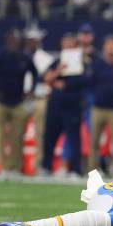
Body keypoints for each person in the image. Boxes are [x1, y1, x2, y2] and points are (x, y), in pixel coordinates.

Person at [0, 29, 38, 175]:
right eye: (11, 39)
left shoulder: (23, 57)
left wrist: (31, 89)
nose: (14, 42)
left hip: (18, 101)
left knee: (17, 136)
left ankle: (14, 167)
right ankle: (0, 167)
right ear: (7, 40)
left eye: (16, 39)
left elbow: (34, 72)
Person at [42, 33, 88, 176]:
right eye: (65, 42)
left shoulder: (82, 63)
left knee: (74, 138)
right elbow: (45, 77)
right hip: (55, 105)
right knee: (50, 136)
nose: (67, 45)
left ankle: (75, 169)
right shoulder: (57, 62)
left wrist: (65, 85)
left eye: (70, 43)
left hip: (72, 105)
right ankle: (46, 167)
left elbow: (85, 81)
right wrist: (58, 72)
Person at [88, 35, 113, 177]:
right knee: (94, 141)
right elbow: (90, 83)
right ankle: (92, 171)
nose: (111, 48)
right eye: (108, 45)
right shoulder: (97, 64)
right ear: (104, 47)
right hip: (98, 107)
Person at [23, 24, 54, 171]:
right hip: (21, 98)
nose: (31, 42)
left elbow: (47, 79)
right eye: (29, 39)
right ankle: (14, 167)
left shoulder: (46, 58)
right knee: (16, 133)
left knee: (41, 133)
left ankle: (39, 165)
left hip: (40, 97)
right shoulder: (20, 55)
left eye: (34, 39)